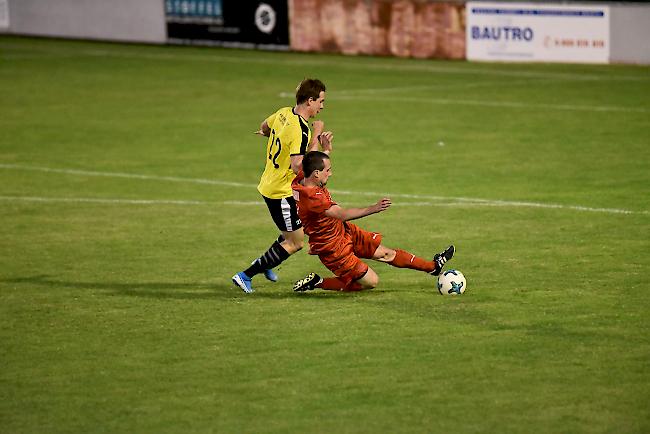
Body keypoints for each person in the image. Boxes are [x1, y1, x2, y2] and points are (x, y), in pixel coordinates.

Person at [291, 151, 454, 292]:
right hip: (332, 248)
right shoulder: (313, 198)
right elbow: (341, 214)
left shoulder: (301, 178)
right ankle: (318, 282)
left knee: (386, 253)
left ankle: (433, 267)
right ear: (316, 174)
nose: (331, 173)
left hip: (343, 231)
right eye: (328, 170)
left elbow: (309, 160)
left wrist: (322, 143)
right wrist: (373, 208)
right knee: (371, 282)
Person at [232, 79, 333, 293]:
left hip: (272, 182)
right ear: (310, 101)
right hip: (281, 191)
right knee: (296, 242)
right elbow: (298, 166)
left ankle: (267, 263)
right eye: (321, 102)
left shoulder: (283, 112)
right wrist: (316, 135)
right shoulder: (301, 129)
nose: (322, 106)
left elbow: (264, 127)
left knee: (298, 229)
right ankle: (245, 275)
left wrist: (275, 136)